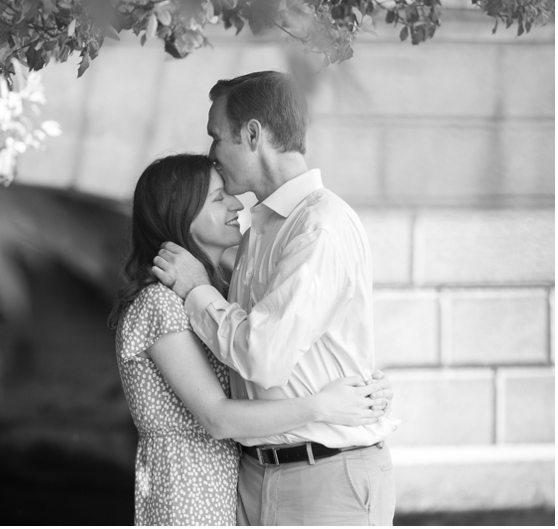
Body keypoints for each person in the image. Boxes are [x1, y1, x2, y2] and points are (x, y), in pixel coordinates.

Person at [151, 72, 400, 526]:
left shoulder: (320, 227)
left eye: (216, 137)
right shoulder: (259, 229)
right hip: (254, 477)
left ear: (252, 135)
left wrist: (195, 289)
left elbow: (264, 356)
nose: (211, 153)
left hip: (327, 476)